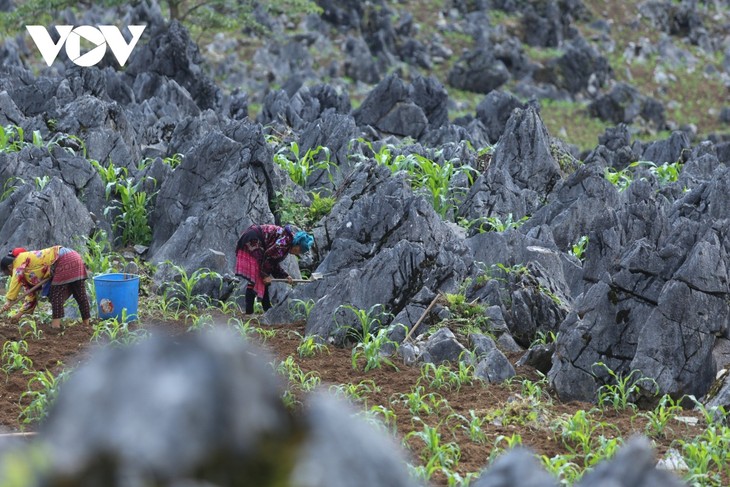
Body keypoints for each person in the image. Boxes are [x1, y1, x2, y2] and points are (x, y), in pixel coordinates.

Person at [1, 246, 91, 329]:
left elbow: (16, 280)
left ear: (10, 267)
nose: (10, 276)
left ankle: (55, 327)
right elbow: (31, 296)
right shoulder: (26, 268)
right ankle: (86, 325)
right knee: (80, 294)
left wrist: (8, 301)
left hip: (62, 259)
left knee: (56, 295)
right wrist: (18, 315)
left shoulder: (19, 261)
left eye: (8, 274)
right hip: (74, 255)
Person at [235, 224, 314, 314]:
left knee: (261, 279)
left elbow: (273, 262)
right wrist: (265, 275)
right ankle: (253, 312)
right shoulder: (283, 244)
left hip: (254, 237)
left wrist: (285, 276)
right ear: (297, 244)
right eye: (299, 250)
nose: (297, 253)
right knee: (258, 278)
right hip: (253, 238)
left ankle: (265, 309)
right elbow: (268, 256)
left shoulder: (287, 242)